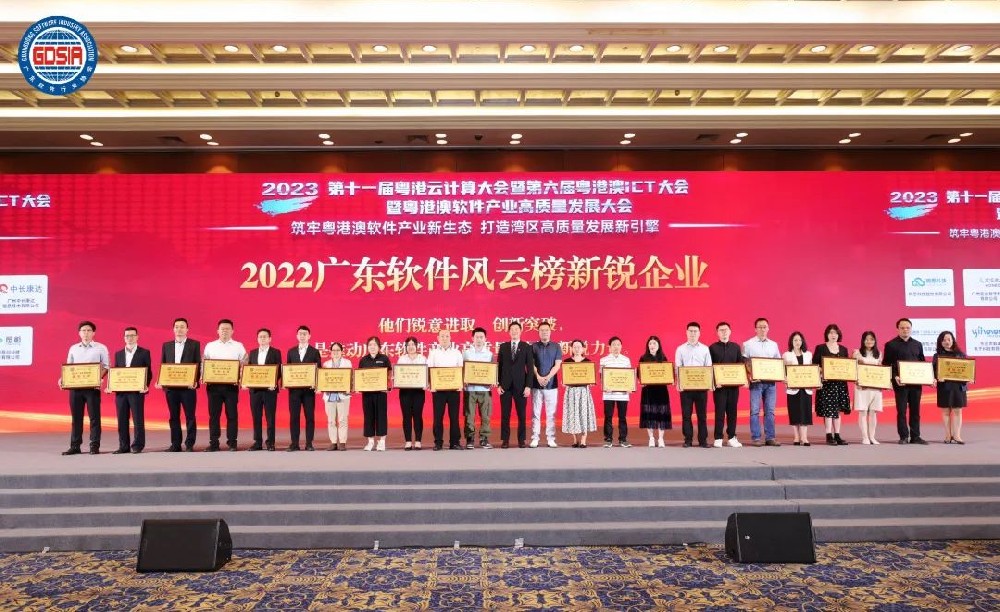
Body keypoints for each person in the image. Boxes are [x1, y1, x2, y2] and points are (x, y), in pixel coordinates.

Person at [61, 321, 109, 455]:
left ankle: (94, 446)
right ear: (79, 333)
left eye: (89, 330)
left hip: (92, 388)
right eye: (83, 330)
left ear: (94, 333)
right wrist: (63, 379)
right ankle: (75, 446)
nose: (86, 333)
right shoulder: (73, 348)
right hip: (75, 388)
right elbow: (69, 367)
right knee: (76, 418)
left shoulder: (101, 348)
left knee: (94, 418)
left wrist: (98, 378)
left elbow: (106, 366)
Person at [202, 318, 247, 452]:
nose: (225, 331)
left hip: (231, 387)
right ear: (217, 331)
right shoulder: (210, 345)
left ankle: (232, 442)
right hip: (213, 386)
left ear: (232, 331)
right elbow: (204, 364)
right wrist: (203, 376)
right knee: (214, 416)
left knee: (232, 415)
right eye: (222, 329)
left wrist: (241, 379)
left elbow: (245, 363)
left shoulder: (239, 346)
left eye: (228, 329)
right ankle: (214, 443)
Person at [883, 318, 928, 445]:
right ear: (897, 329)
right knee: (902, 411)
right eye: (902, 328)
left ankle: (915, 436)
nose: (905, 330)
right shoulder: (890, 345)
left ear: (911, 329)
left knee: (915, 411)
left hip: (916, 383)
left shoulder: (918, 344)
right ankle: (903, 436)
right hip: (900, 383)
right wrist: (894, 376)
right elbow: (886, 364)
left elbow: (922, 363)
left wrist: (927, 377)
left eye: (908, 328)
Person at [108, 326, 152, 454]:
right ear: (124, 338)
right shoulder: (118, 354)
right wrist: (111, 386)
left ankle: (138, 445)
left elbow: (148, 372)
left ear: (137, 337)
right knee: (121, 419)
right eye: (127, 336)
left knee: (138, 419)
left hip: (137, 392)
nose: (130, 338)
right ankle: (123, 446)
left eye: (132, 335)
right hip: (121, 393)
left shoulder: (144, 352)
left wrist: (145, 385)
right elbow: (116, 373)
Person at [160, 317, 200, 452]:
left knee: (190, 416)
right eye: (176, 327)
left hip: (188, 388)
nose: (179, 329)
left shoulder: (194, 344)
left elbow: (198, 364)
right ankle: (175, 444)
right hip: (171, 388)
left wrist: (195, 381)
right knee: (173, 417)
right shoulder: (167, 345)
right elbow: (164, 364)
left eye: (182, 327)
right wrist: (162, 382)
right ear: (173, 329)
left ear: (187, 329)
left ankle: (189, 444)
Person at [743, 317, 782, 446]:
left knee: (770, 411)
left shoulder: (774, 344)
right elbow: (744, 363)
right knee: (754, 410)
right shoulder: (748, 344)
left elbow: (778, 362)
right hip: (756, 382)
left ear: (768, 328)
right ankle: (756, 438)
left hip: (771, 383)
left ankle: (770, 437)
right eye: (759, 327)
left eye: (764, 327)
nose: (762, 329)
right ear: (755, 329)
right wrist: (749, 376)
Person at [497, 321, 534, 448]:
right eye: (512, 329)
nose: (514, 331)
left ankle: (521, 440)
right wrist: (498, 384)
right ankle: (505, 440)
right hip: (505, 386)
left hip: (521, 386)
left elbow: (530, 368)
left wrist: (528, 386)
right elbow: (499, 367)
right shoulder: (503, 347)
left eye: (516, 329)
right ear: (509, 332)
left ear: (520, 331)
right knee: (505, 415)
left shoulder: (526, 347)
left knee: (521, 415)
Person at [675, 323, 712, 448]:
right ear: (686, 332)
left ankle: (703, 440)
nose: (693, 333)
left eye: (695, 331)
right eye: (690, 331)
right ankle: (688, 440)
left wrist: (709, 384)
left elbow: (708, 367)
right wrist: (679, 383)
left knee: (702, 416)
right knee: (686, 415)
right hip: (686, 388)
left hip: (701, 388)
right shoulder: (680, 349)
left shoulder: (705, 349)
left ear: (699, 333)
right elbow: (678, 368)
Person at [286, 325, 321, 451]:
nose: (302, 336)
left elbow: (319, 370)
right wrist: (286, 382)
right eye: (300, 334)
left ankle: (309, 443)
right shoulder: (291, 351)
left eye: (305, 334)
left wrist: (317, 385)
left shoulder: (314, 352)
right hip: (294, 391)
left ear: (309, 336)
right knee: (294, 417)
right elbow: (288, 370)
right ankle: (294, 443)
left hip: (309, 391)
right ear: (297, 336)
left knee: (309, 417)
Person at [709, 322, 745, 448]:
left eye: (726, 329)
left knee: (732, 412)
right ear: (717, 333)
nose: (724, 332)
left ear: (730, 331)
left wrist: (741, 380)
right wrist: (714, 382)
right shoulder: (712, 348)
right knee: (719, 412)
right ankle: (718, 437)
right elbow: (709, 367)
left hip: (733, 387)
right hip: (719, 387)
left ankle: (731, 437)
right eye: (721, 330)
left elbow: (740, 365)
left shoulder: (736, 347)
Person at [814, 324, 850, 446]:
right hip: (827, 384)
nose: (833, 335)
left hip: (840, 385)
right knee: (828, 410)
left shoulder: (844, 349)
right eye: (830, 332)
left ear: (838, 335)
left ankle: (837, 435)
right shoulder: (820, 348)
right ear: (827, 334)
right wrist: (824, 371)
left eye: (835, 333)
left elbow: (847, 367)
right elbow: (815, 365)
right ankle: (829, 435)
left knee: (838, 410)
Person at [246, 328, 281, 451]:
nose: (262, 339)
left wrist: (274, 382)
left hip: (270, 390)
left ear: (270, 339)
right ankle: (257, 442)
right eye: (260, 337)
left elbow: (279, 370)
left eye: (265, 336)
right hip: (255, 391)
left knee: (270, 417)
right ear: (257, 339)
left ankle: (270, 442)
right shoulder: (253, 352)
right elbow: (249, 370)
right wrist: (246, 382)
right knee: (256, 417)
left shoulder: (276, 352)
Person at [427, 329, 464, 450]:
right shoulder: (433, 353)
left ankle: (455, 442)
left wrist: (460, 384)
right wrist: (430, 384)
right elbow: (429, 369)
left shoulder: (457, 352)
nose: (444, 338)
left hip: (454, 390)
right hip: (438, 390)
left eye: (447, 336)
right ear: (438, 338)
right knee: (438, 417)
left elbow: (461, 370)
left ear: (450, 337)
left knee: (454, 417)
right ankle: (438, 442)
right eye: (442, 336)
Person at [530, 321, 563, 448]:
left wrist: (548, 377)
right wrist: (538, 377)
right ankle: (535, 438)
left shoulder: (556, 346)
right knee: (536, 413)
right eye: (542, 330)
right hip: (536, 384)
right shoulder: (533, 347)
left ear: (550, 331)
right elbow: (531, 364)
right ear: (538, 332)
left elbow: (557, 365)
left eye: (546, 330)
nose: (544, 332)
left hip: (551, 385)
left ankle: (551, 438)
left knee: (551, 413)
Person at [934, 331, 968, 444]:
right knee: (946, 411)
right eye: (944, 340)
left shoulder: (961, 355)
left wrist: (970, 378)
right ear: (940, 342)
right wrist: (937, 377)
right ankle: (948, 435)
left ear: (953, 340)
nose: (947, 342)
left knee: (957, 411)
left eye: (949, 339)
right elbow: (933, 372)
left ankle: (957, 435)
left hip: (958, 387)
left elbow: (967, 370)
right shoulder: (937, 356)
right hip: (944, 386)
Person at [561, 339, 597, 448]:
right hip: (571, 392)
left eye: (579, 347)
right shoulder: (567, 362)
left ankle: (583, 440)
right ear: (571, 349)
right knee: (572, 414)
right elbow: (564, 379)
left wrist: (591, 382)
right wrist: (564, 382)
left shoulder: (587, 362)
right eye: (574, 347)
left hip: (583, 392)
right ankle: (575, 440)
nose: (577, 349)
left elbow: (591, 378)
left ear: (583, 349)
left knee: (583, 414)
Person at [463, 327, 494, 449]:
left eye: (481, 337)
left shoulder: (489, 354)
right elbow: (462, 370)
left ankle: (484, 439)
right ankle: (470, 439)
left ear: (485, 339)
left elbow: (492, 372)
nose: (479, 339)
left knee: (486, 416)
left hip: (485, 390)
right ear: (472, 338)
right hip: (470, 390)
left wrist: (493, 380)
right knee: (469, 415)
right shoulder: (466, 353)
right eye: (477, 337)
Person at [359, 336, 391, 451]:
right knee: (368, 416)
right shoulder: (363, 360)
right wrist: (359, 387)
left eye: (374, 345)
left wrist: (387, 386)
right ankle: (370, 441)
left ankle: (382, 441)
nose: (372, 347)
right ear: (367, 347)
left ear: (379, 347)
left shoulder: (384, 359)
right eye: (370, 345)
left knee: (381, 416)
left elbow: (389, 374)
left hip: (381, 393)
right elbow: (360, 376)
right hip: (367, 394)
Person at [639, 335, 672, 447]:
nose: (652, 346)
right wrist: (641, 380)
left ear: (658, 346)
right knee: (649, 414)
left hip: (661, 391)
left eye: (654, 344)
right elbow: (639, 374)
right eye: (650, 344)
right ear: (647, 346)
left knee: (661, 414)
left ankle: (661, 438)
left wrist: (670, 379)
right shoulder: (643, 358)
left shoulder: (663, 358)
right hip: (648, 391)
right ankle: (651, 438)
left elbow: (667, 374)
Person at [600, 336, 632, 448]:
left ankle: (623, 439)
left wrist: (629, 387)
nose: (616, 347)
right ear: (609, 347)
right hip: (608, 394)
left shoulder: (626, 360)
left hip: (623, 394)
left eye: (618, 344)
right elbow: (601, 376)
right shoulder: (604, 360)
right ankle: (608, 439)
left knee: (622, 417)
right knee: (608, 417)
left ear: (621, 346)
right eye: (614, 344)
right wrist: (605, 386)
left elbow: (629, 376)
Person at [782, 331, 813, 446]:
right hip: (793, 388)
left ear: (802, 341)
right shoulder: (786, 355)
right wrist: (784, 379)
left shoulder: (808, 354)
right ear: (791, 342)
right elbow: (782, 370)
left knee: (805, 412)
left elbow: (812, 371)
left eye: (799, 340)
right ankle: (796, 436)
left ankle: (804, 437)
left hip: (806, 388)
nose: (797, 342)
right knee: (794, 412)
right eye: (795, 340)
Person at [853, 331, 883, 445]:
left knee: (873, 412)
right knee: (863, 411)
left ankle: (872, 437)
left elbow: (881, 371)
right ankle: (865, 437)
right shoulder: (857, 353)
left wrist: (883, 383)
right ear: (863, 341)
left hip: (875, 387)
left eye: (871, 339)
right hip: (862, 387)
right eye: (866, 339)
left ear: (875, 341)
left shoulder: (879, 354)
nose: (869, 341)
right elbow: (853, 370)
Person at [396, 337, 426, 450]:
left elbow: (426, 374)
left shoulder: (422, 359)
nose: (411, 347)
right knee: (406, 416)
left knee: (418, 415)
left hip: (419, 392)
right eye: (408, 345)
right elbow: (398, 375)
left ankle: (418, 441)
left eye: (413, 344)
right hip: (405, 392)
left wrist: (426, 383)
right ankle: (408, 441)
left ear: (417, 346)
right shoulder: (402, 359)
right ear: (406, 347)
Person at [322, 342, 352, 451]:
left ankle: (342, 442)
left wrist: (348, 387)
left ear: (341, 352)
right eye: (333, 350)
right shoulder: (326, 364)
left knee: (343, 419)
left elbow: (350, 378)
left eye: (338, 350)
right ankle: (333, 442)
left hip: (343, 395)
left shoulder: (347, 363)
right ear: (330, 352)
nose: (335, 352)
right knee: (331, 420)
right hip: (329, 396)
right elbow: (322, 380)